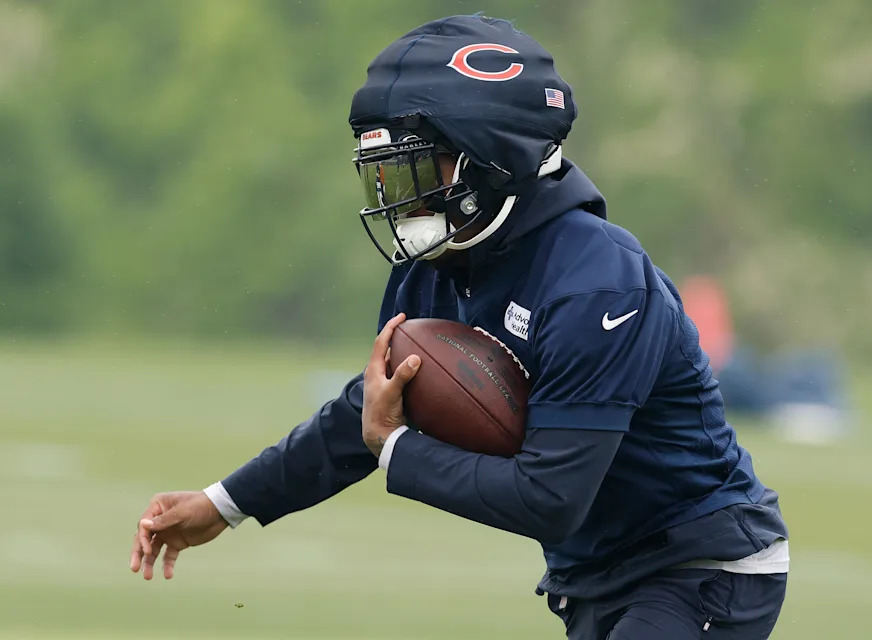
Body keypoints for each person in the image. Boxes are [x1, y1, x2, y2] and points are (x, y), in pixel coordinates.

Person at [129, 15, 790, 639]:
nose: (399, 198)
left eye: (415, 169)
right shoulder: (439, 266)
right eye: (385, 177)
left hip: (698, 562)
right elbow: (369, 407)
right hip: (596, 572)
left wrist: (397, 451)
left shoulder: (596, 282)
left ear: (491, 158)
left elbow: (550, 497)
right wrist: (224, 504)